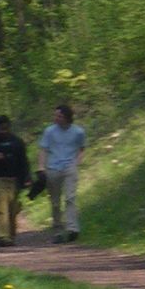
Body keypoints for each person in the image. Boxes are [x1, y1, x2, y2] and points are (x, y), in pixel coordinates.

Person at [40, 102, 88, 242]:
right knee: (55, 202)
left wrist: (77, 162)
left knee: (70, 198)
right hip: (53, 168)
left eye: (59, 116)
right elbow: (43, 149)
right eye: (55, 115)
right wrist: (41, 167)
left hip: (69, 167)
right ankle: (58, 231)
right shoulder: (49, 131)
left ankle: (73, 228)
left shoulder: (78, 132)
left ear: (67, 117)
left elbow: (81, 148)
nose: (56, 118)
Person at [0, 113, 31, 246]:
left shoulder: (17, 142)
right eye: (1, 128)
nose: (3, 131)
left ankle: (10, 234)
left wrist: (26, 178)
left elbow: (23, 161)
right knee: (2, 208)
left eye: (6, 128)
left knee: (12, 209)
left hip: (14, 179)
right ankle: (3, 236)